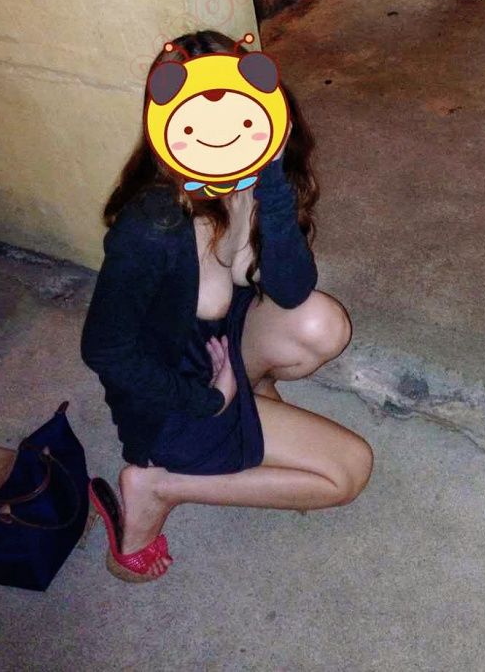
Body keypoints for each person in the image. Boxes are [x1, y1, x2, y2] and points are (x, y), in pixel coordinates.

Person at [81, 29, 374, 583]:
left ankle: (252, 401)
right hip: (177, 399)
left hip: (223, 347)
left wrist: (273, 185)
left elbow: (290, 288)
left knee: (321, 323)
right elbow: (105, 349)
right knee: (348, 473)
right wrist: (208, 399)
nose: (225, 129)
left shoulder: (248, 178)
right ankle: (159, 485)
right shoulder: (153, 224)